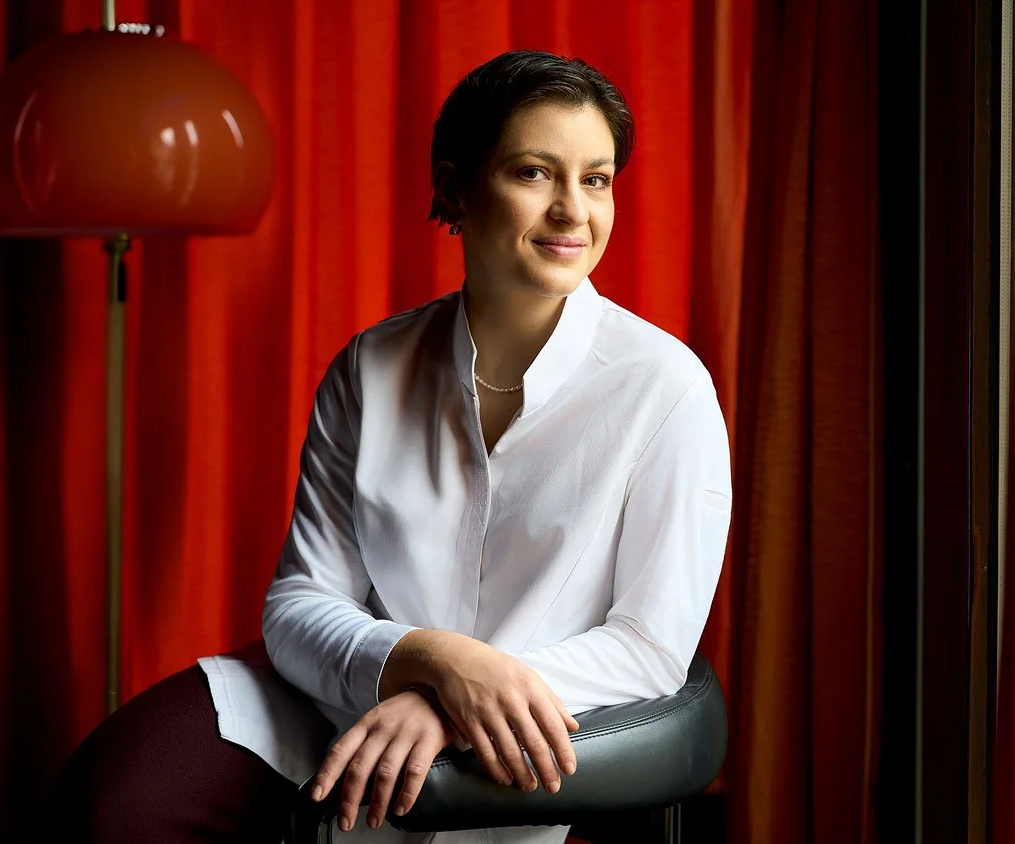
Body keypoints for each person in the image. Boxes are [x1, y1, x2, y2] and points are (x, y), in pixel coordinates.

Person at [46, 49, 732, 843]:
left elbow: (649, 647)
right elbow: (301, 601)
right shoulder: (371, 367)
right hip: (348, 695)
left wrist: (458, 700)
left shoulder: (665, 389)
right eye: (534, 173)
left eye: (597, 179)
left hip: (536, 740)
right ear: (454, 187)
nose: (573, 211)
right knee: (113, 804)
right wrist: (430, 660)